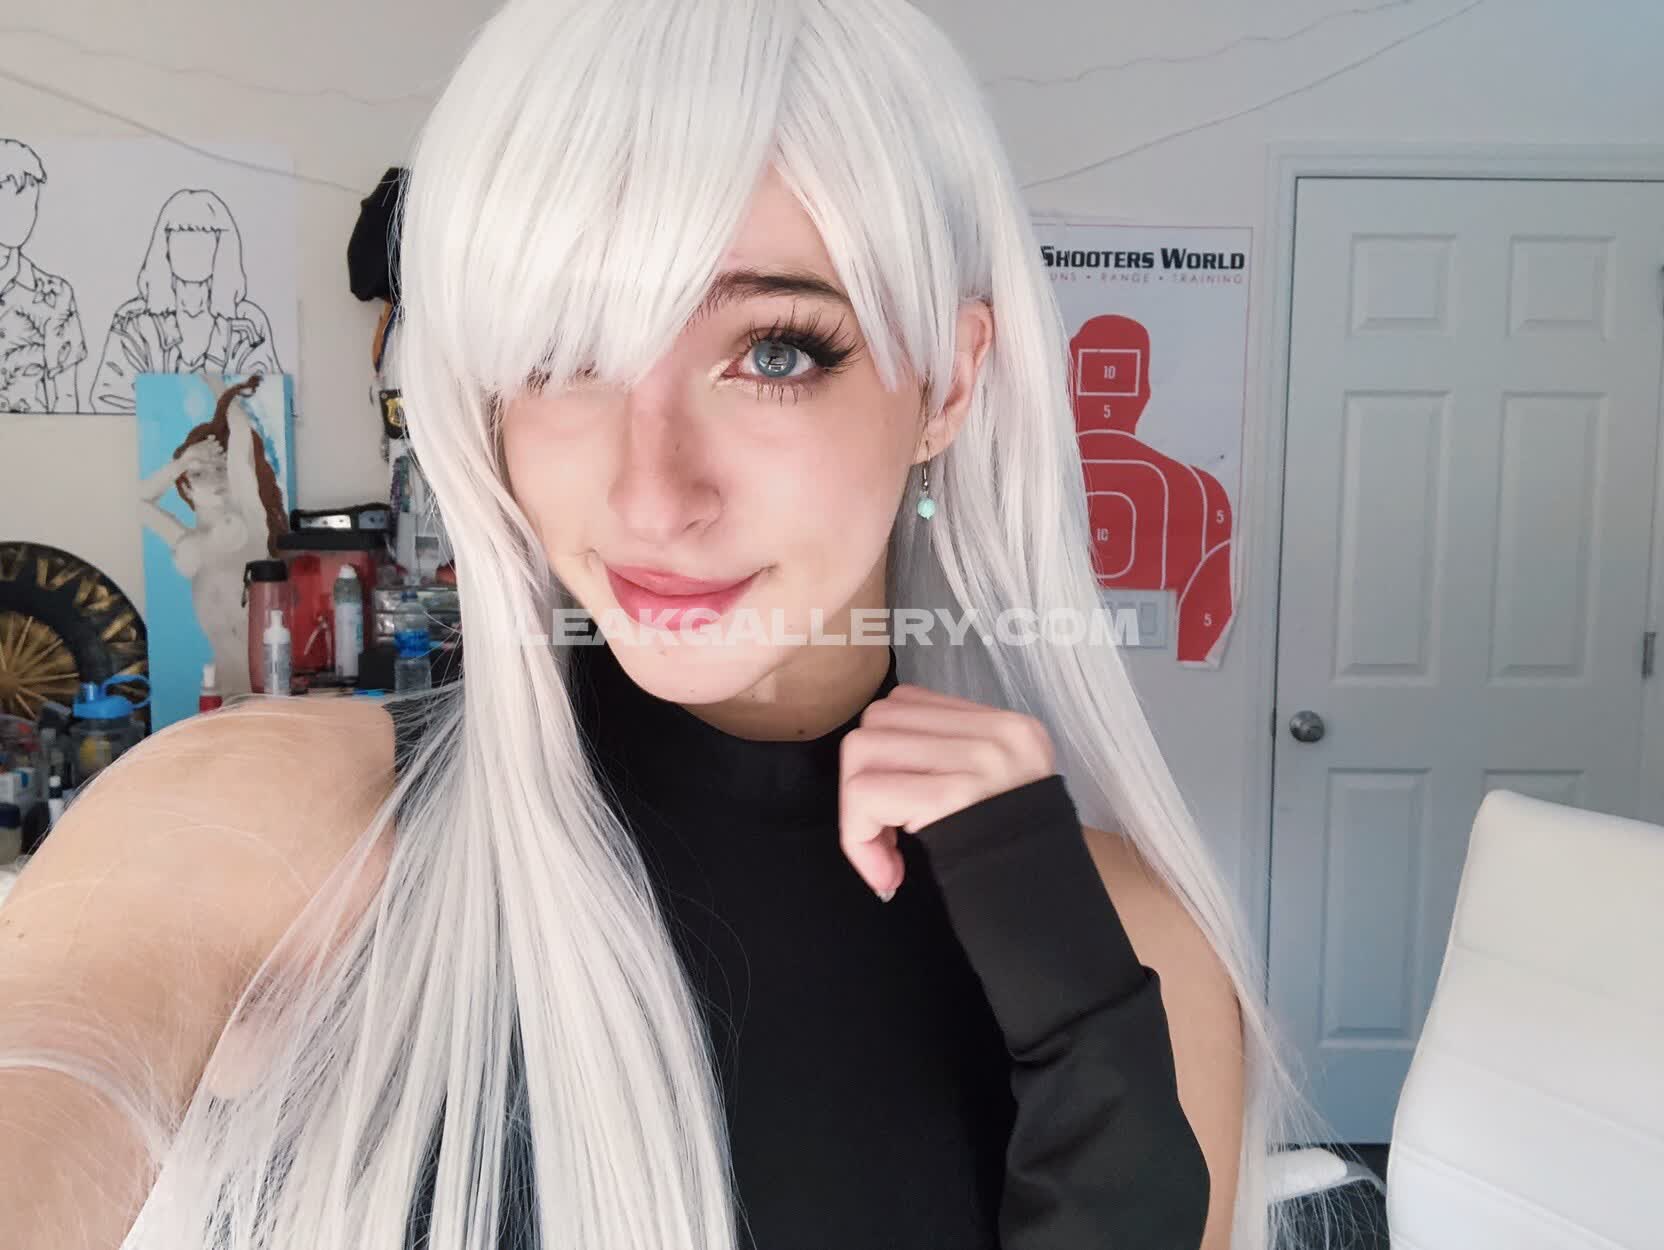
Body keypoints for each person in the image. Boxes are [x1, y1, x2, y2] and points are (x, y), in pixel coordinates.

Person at [0, 3, 1335, 1249]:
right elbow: (54, 1065)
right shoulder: (286, 817)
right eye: (564, 352)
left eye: (774, 352)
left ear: (947, 382)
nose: (651, 494)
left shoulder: (1115, 936)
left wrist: (1077, 1015)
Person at [135, 375, 289, 694]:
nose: (214, 479)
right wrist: (181, 463)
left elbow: (241, 434)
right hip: (220, 688)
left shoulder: (247, 519)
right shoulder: (187, 544)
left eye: (221, 469)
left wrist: (217, 382)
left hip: (264, 687)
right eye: (198, 473)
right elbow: (138, 504)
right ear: (186, 487)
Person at [88, 188, 283, 413]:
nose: (192, 250)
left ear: (221, 247)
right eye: (182, 236)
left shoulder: (248, 322)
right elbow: (110, 402)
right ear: (165, 246)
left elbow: (265, 406)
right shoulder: (133, 321)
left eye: (204, 237)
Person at [0, 138, 87, 413]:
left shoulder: (54, 294)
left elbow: (66, 400)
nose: (24, 217)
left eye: (30, 205)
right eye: (11, 205)